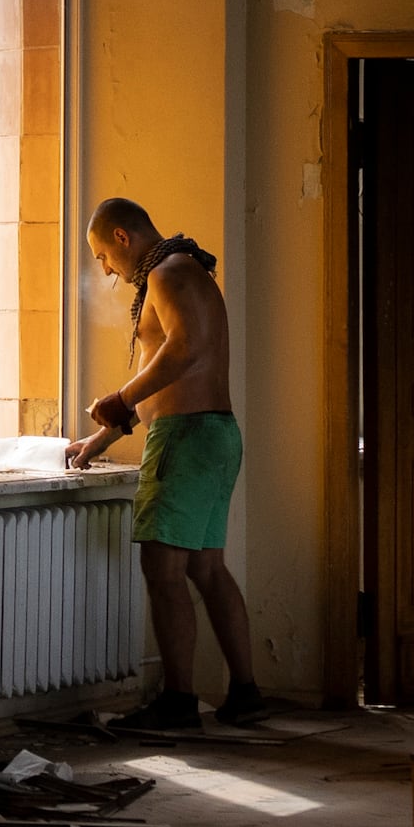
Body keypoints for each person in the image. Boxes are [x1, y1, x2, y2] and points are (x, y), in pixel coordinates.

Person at [65, 196, 268, 728]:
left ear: (122, 238)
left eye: (101, 255)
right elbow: (174, 372)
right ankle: (245, 692)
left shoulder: (168, 274)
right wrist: (99, 440)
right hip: (215, 434)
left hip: (187, 437)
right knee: (206, 567)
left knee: (163, 569)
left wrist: (119, 399)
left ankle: (178, 703)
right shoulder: (185, 269)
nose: (104, 268)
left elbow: (186, 349)